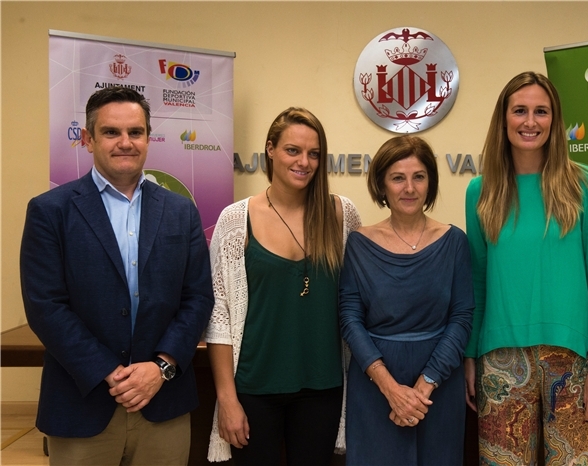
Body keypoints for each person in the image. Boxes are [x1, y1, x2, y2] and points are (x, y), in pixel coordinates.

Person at [19, 86, 214, 465]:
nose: (125, 142)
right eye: (111, 132)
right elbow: (46, 306)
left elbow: (198, 298)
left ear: (148, 137)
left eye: (135, 132)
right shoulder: (50, 211)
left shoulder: (180, 211)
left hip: (163, 402)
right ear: (88, 139)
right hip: (84, 402)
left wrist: (161, 367)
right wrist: (109, 372)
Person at [464, 71, 588, 464]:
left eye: (541, 111)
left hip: (574, 361)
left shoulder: (585, 184)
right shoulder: (481, 191)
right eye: (520, 111)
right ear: (504, 119)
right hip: (500, 361)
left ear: (555, 120)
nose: (530, 122)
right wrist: (470, 356)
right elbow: (478, 282)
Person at [205, 107, 362, 464]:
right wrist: (227, 400)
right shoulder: (235, 219)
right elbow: (219, 316)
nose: (304, 161)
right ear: (271, 149)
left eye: (314, 153)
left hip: (322, 386)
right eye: (293, 150)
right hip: (255, 387)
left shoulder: (342, 215)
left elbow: (356, 298)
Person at [339, 135, 474, 466]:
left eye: (419, 176)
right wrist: (390, 388)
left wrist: (424, 387)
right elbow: (349, 317)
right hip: (375, 385)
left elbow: (461, 317)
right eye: (398, 178)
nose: (409, 188)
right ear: (382, 185)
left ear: (430, 182)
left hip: (440, 383)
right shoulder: (359, 243)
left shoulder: (454, 241)